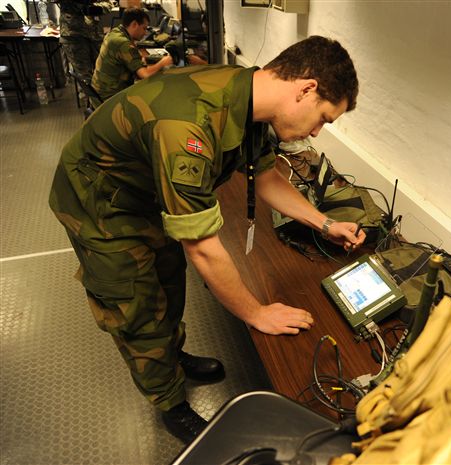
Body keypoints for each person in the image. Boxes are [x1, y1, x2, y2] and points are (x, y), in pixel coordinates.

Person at [49, 36, 363, 444]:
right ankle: (169, 401)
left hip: (146, 189)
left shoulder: (248, 95)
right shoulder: (188, 126)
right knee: (137, 301)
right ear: (306, 89)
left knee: (167, 274)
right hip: (101, 202)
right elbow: (203, 247)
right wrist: (255, 312)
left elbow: (267, 178)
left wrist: (324, 223)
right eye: (323, 118)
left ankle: (171, 355)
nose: (318, 133)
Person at [90, 7, 204, 105]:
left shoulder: (115, 32)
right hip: (109, 97)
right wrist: (164, 62)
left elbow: (131, 57)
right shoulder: (123, 43)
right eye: (144, 28)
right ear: (134, 24)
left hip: (99, 91)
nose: (145, 33)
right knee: (156, 97)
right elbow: (145, 75)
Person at [56, 0, 112, 107]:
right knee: (84, 76)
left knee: (101, 71)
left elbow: (109, 3)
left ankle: (101, 105)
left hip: (94, 35)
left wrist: (96, 8)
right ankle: (93, 108)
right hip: (74, 36)